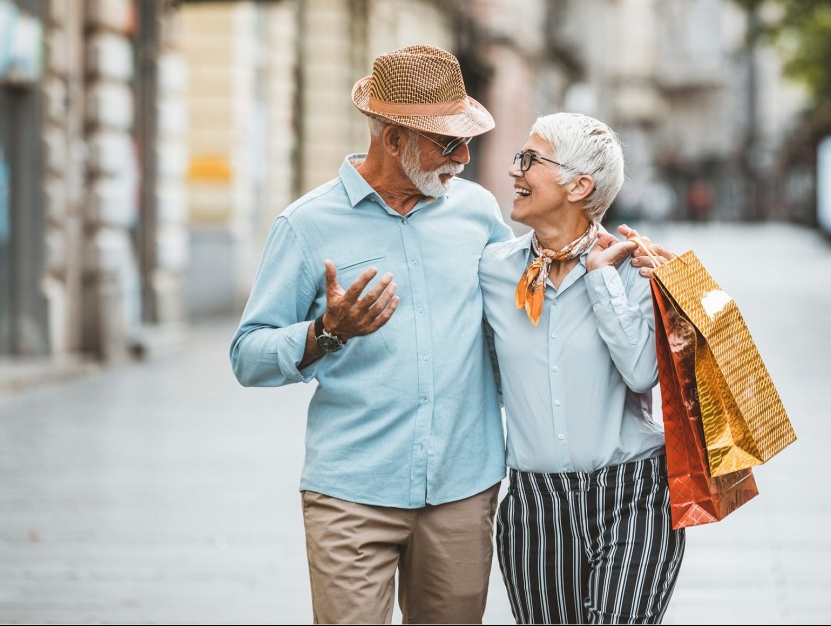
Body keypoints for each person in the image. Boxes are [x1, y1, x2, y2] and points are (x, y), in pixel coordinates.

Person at [229, 44, 514, 624]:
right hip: (350, 492)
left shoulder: (478, 212)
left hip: (463, 487)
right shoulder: (307, 225)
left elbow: (525, 309)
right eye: (447, 142)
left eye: (466, 141)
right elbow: (247, 354)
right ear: (392, 140)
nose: (462, 157)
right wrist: (326, 332)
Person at [479, 113, 686, 625]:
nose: (514, 172)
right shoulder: (492, 271)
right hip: (535, 505)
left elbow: (641, 373)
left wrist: (600, 277)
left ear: (579, 185)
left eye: (529, 160)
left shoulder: (635, 269)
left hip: (633, 494)